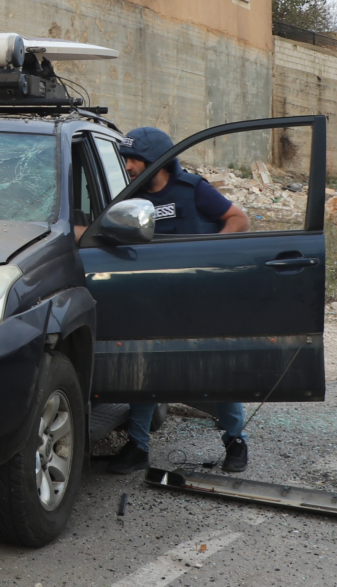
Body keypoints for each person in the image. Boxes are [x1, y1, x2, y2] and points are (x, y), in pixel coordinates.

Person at [106, 126, 252, 475]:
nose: (128, 166)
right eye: (126, 159)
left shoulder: (193, 189)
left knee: (218, 370)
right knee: (145, 372)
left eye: (135, 160)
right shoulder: (130, 197)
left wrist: (207, 254)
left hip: (199, 297)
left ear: (158, 162)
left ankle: (235, 441)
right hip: (153, 300)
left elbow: (239, 219)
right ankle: (138, 446)